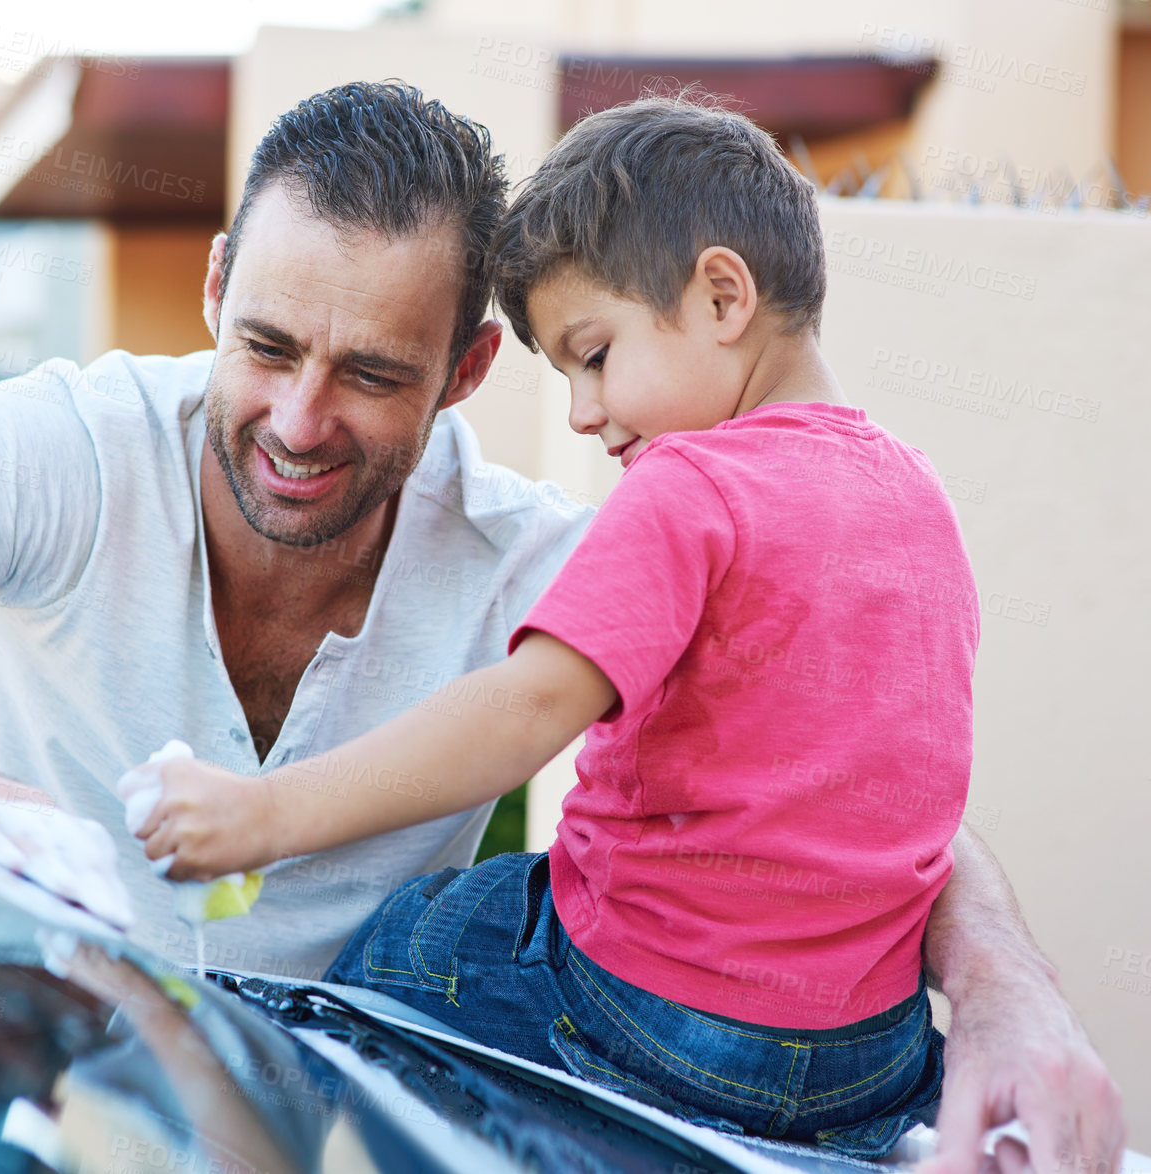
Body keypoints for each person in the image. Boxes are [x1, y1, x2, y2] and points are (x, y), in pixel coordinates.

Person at [0, 81, 1123, 1174]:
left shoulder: (540, 548)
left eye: (370, 374)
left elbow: (818, 749)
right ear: (213, 288)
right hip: (53, 1087)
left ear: (467, 369)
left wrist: (1003, 989)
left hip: (347, 1124)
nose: (296, 417)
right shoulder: (64, 450)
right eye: (263, 344)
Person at [134, 93, 974, 1157]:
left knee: (403, 943)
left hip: (654, 1012)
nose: (581, 410)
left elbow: (525, 710)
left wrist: (263, 815)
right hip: (870, 1053)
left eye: (593, 352)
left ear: (721, 295)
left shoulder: (690, 486)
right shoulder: (915, 494)